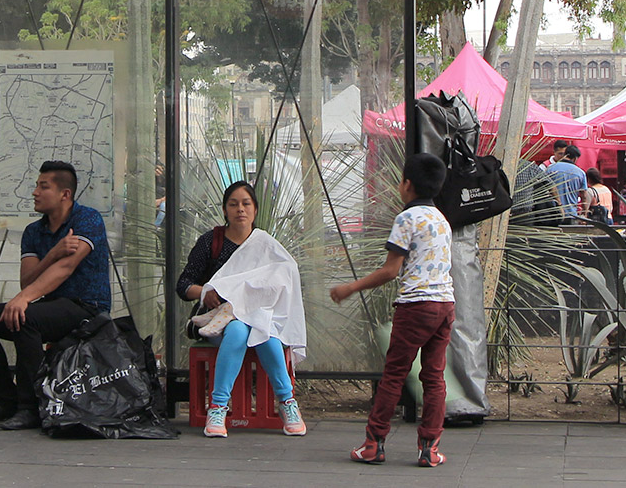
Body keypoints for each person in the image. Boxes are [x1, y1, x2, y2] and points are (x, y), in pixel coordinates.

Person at [0, 160, 111, 430]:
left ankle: (31, 406)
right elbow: (28, 280)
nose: (35, 192)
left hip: (87, 307)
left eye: (44, 187)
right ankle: (5, 400)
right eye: (36, 186)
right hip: (50, 306)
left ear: (65, 194)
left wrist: (24, 299)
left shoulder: (87, 219)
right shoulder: (34, 231)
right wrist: (53, 252)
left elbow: (66, 269)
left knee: (26, 317)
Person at [330, 153, 454, 468]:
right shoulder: (441, 219)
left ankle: (374, 443)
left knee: (394, 375)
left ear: (406, 184)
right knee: (434, 376)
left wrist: (350, 288)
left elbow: (390, 271)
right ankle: (430, 448)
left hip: (415, 307)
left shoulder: (406, 219)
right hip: (445, 305)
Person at [176, 180, 308, 438]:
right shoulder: (210, 242)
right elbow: (183, 285)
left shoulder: (266, 246)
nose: (240, 210)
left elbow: (286, 278)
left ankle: (288, 403)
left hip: (260, 316)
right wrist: (206, 292)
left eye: (246, 204)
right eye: (233, 204)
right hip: (220, 320)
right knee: (237, 330)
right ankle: (218, 408)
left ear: (255, 210)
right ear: (225, 210)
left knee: (263, 329)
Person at [546, 145, 587, 224]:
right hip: (571, 215)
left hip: (552, 213)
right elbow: (584, 196)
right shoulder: (580, 173)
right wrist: (584, 214)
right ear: (575, 158)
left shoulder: (550, 169)